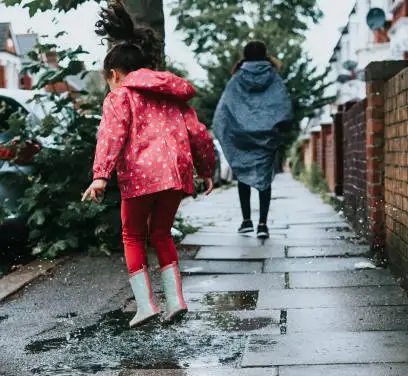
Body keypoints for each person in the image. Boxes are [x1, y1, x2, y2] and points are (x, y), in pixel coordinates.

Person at [82, 1, 215, 328]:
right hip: (175, 177)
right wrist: (206, 169)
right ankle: (176, 300)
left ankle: (146, 306)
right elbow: (198, 133)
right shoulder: (172, 96)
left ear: (114, 74)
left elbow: (111, 136)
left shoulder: (120, 96)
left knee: (132, 235)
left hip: (141, 178)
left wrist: (100, 176)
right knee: (161, 233)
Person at [213, 40, 292, 239]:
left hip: (241, 137)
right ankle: (263, 225)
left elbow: (224, 109)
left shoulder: (237, 78)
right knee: (264, 179)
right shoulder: (274, 77)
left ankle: (246, 221)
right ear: (265, 54)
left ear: (245, 55)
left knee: (243, 175)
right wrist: (278, 128)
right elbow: (283, 104)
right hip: (266, 137)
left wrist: (228, 129)